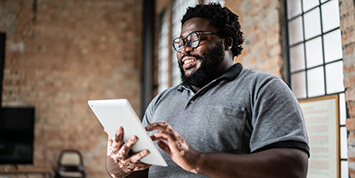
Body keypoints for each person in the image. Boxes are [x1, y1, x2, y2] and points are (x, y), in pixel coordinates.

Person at [106, 3, 309, 178]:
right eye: (180, 43)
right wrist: (118, 168)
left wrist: (198, 161)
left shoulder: (263, 88)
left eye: (194, 39)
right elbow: (142, 172)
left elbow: (294, 168)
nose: (185, 49)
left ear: (226, 42)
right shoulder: (160, 101)